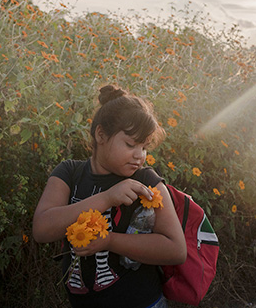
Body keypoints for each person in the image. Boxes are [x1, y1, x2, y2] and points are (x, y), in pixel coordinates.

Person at [32, 85, 185, 308]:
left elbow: (176, 250)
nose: (139, 156)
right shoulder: (68, 173)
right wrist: (106, 198)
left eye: (144, 147)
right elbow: (42, 229)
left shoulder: (146, 182)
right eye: (130, 144)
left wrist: (109, 241)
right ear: (101, 134)